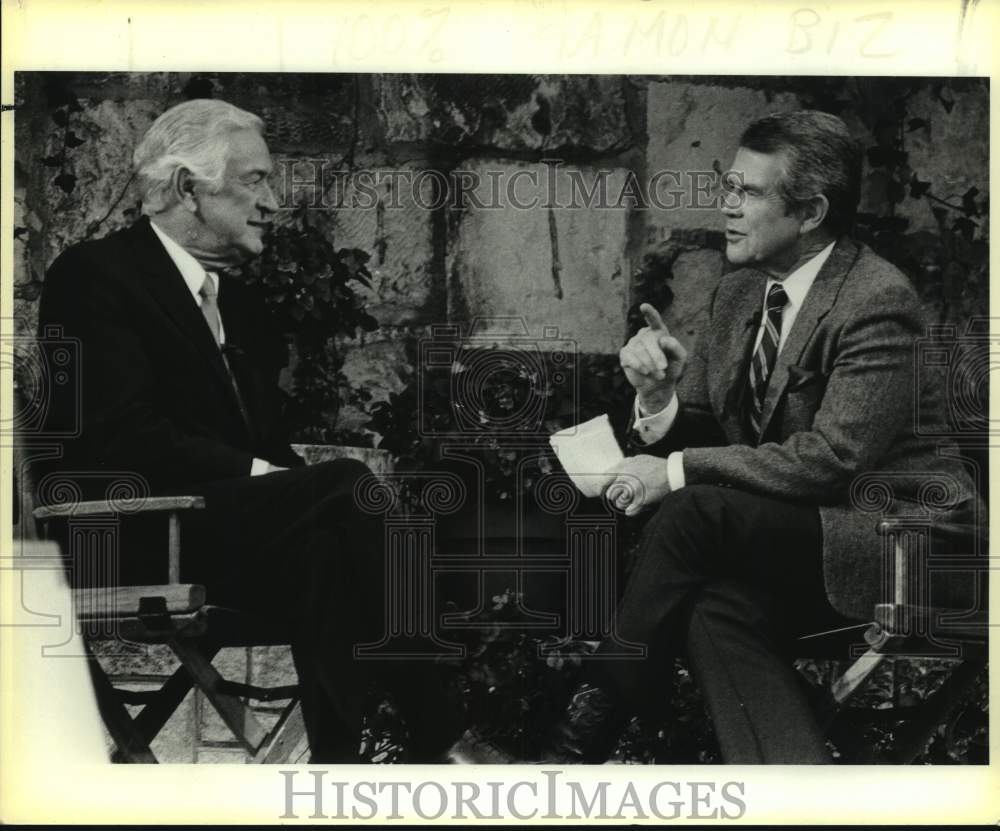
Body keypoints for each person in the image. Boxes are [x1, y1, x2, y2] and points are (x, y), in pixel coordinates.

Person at [532, 110, 982, 763]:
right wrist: (657, 398)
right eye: (728, 186)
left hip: (907, 544)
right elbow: (712, 432)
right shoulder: (740, 293)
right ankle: (793, 790)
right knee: (714, 607)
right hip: (804, 537)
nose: (726, 205)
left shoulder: (877, 299)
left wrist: (677, 469)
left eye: (748, 191)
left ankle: (578, 741)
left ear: (810, 212)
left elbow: (830, 460)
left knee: (693, 510)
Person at [37, 98, 462, 763]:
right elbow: (124, 440)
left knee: (330, 542)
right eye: (255, 180)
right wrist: (282, 480)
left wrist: (288, 479)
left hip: (220, 533)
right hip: (127, 529)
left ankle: (335, 773)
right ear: (189, 189)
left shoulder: (239, 303)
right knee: (347, 487)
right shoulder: (94, 276)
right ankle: (445, 736)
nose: (272, 202)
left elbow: (265, 445)